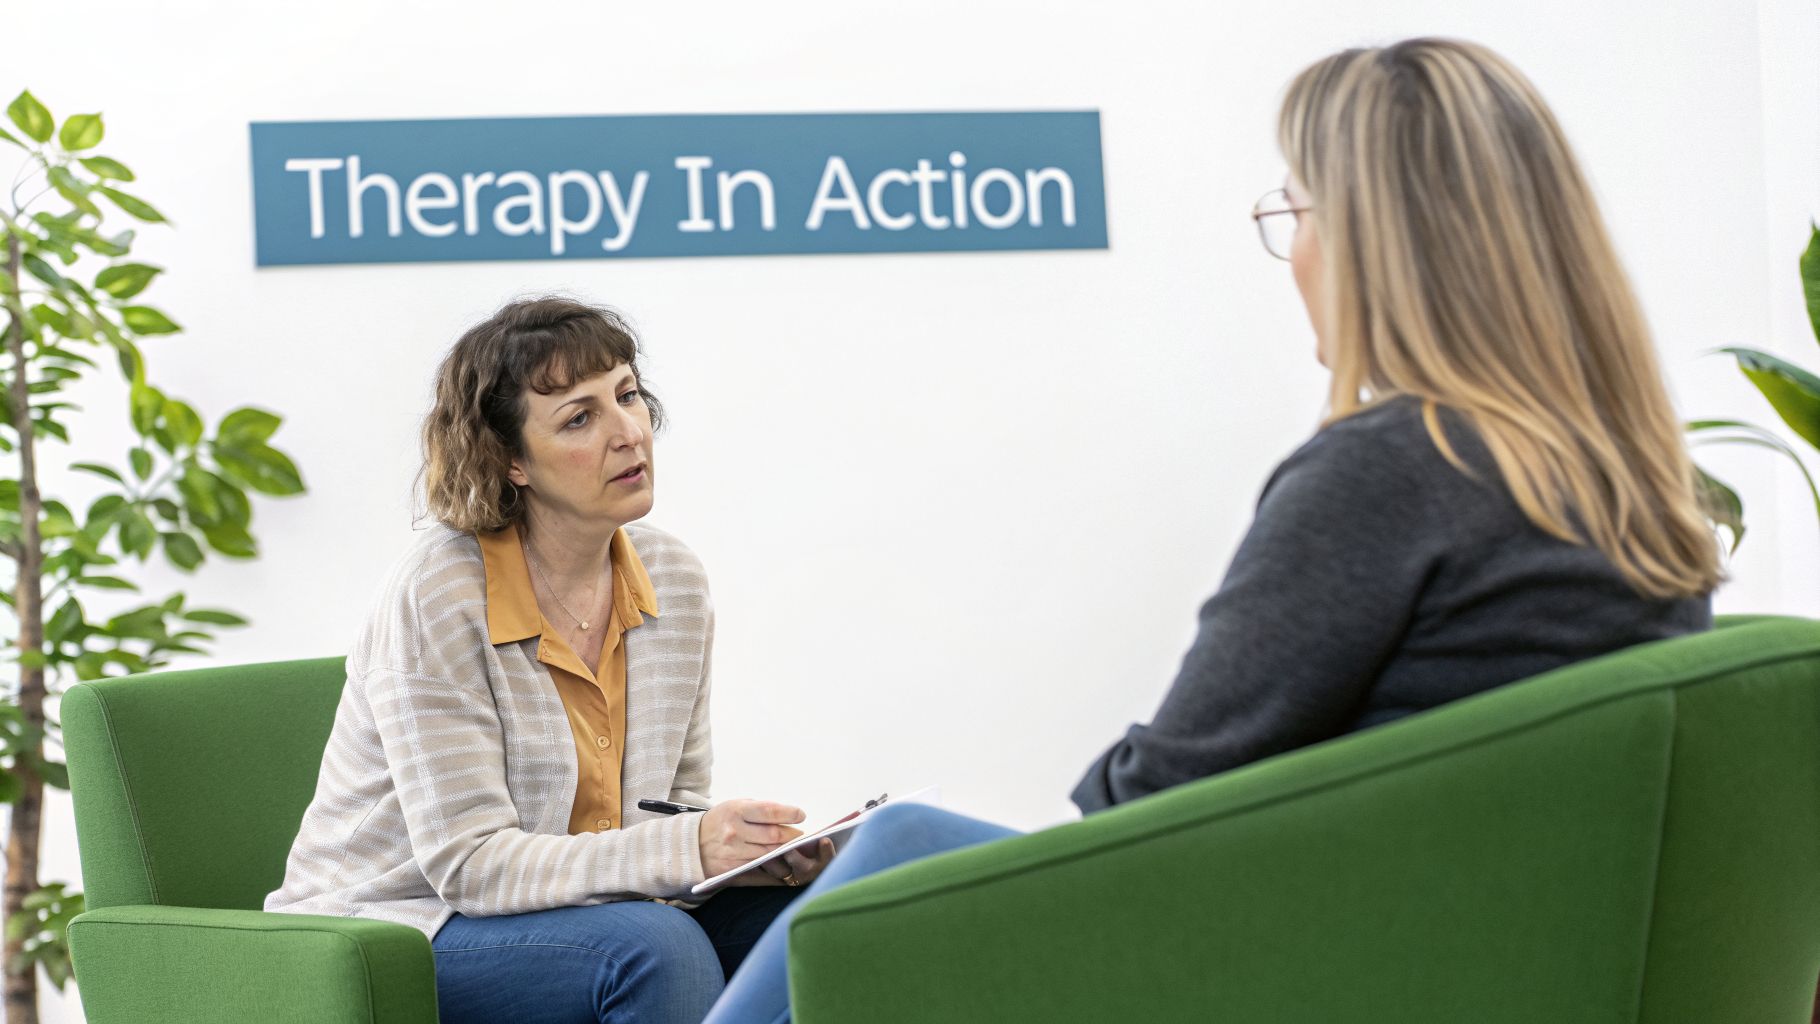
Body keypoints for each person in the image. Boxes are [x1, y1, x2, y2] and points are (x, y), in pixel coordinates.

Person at [700, 37, 1720, 1024]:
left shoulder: (1394, 469)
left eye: (1297, 212)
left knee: (899, 848)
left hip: (1325, 962)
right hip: (1477, 950)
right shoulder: (1633, 487)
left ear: (1376, 241)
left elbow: (1155, 801)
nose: (1295, 253)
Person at [264, 297, 835, 1024]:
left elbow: (669, 810)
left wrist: (745, 858)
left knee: (814, 923)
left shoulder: (674, 580)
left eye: (627, 395)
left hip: (585, 911)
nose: (628, 432)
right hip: (398, 924)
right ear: (510, 461)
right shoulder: (438, 595)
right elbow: (469, 866)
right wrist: (686, 847)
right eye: (578, 418)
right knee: (655, 949)